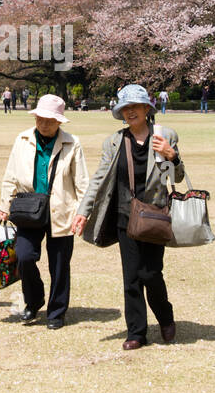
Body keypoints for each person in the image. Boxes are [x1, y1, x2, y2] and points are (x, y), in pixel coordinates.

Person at [73, 83, 183, 350]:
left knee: (151, 273)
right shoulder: (114, 142)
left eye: (135, 107)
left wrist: (171, 155)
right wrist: (83, 211)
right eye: (125, 108)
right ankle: (136, 332)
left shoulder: (164, 135)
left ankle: (165, 317)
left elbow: (174, 178)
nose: (130, 112)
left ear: (147, 108)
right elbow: (99, 179)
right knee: (131, 277)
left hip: (155, 216)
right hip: (125, 217)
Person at [0, 95, 89, 330]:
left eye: (50, 120)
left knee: (59, 265)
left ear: (59, 122)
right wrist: (4, 205)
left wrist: (84, 212)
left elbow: (82, 182)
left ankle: (57, 311)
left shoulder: (72, 143)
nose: (44, 124)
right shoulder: (23, 139)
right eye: (40, 118)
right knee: (24, 256)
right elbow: (10, 175)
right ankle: (34, 299)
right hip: (28, 207)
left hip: (62, 210)